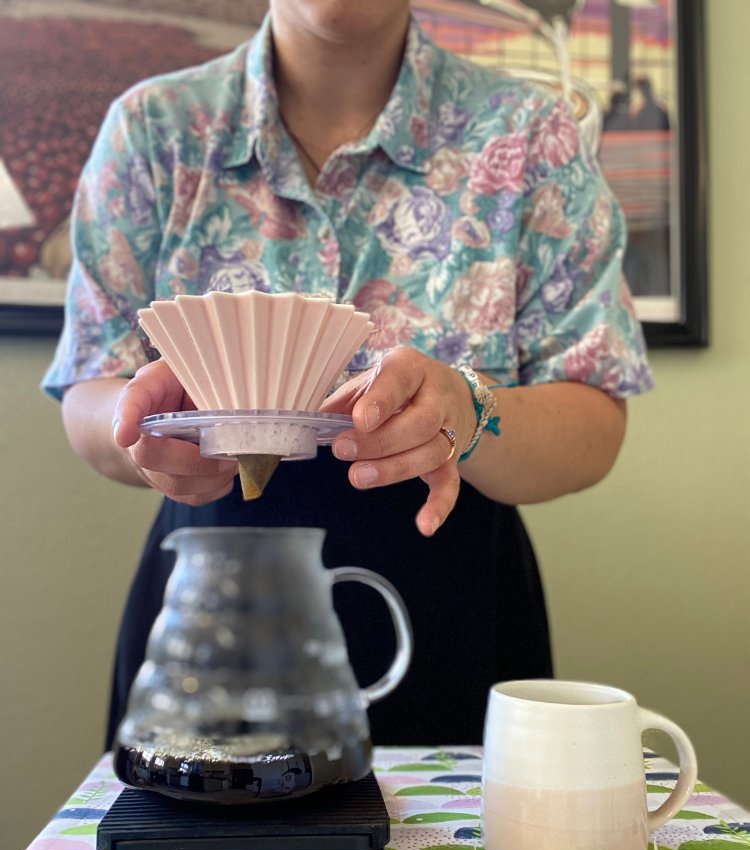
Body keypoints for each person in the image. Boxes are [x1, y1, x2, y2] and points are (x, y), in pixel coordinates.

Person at [43, 0, 653, 749]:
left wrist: (469, 409)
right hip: (216, 600)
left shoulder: (531, 136)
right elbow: (91, 389)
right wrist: (145, 428)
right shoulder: (154, 131)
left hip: (455, 603)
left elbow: (592, 420)